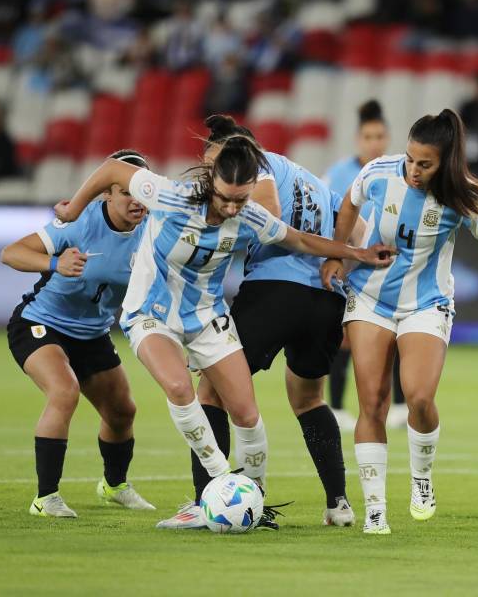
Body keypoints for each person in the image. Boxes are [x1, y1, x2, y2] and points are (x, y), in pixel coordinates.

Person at [53, 136, 396, 528]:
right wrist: (73, 208)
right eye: (226, 198)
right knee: (182, 388)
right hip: (153, 314)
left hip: (207, 318)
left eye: (241, 199)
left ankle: (252, 502)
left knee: (248, 415)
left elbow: (297, 239)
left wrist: (357, 254)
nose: (232, 207)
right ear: (212, 182)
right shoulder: (172, 195)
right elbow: (114, 170)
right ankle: (213, 491)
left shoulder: (251, 215)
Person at [320, 109, 478, 534]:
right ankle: (375, 510)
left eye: (425, 164)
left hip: (427, 303)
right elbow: (348, 204)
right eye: (411, 159)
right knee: (373, 402)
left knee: (417, 398)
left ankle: (421, 477)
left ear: (446, 162)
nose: (413, 170)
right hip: (370, 299)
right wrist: (337, 254)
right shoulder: (378, 172)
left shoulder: (461, 195)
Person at [156, 115, 366, 531]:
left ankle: (205, 503)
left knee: (211, 391)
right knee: (309, 398)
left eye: (217, 163)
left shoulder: (258, 165)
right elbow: (356, 227)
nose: (216, 176)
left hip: (275, 291)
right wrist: (336, 262)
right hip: (325, 300)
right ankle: (338, 503)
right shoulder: (315, 181)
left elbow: (267, 215)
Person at [2, 150, 155, 518]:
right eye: (126, 192)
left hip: (93, 333)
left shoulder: (155, 232)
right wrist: (54, 263)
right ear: (106, 193)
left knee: (122, 411)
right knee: (64, 390)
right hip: (40, 323)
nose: (136, 201)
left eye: (142, 192)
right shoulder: (80, 223)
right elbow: (11, 253)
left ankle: (114, 485)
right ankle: (46, 498)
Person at [322, 99, 408, 432]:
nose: (374, 142)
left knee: (401, 335)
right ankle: (338, 407)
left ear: (386, 139)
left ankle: (400, 405)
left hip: (388, 267)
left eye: (379, 136)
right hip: (352, 266)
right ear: (359, 139)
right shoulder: (339, 174)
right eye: (368, 136)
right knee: (344, 338)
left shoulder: (398, 173)